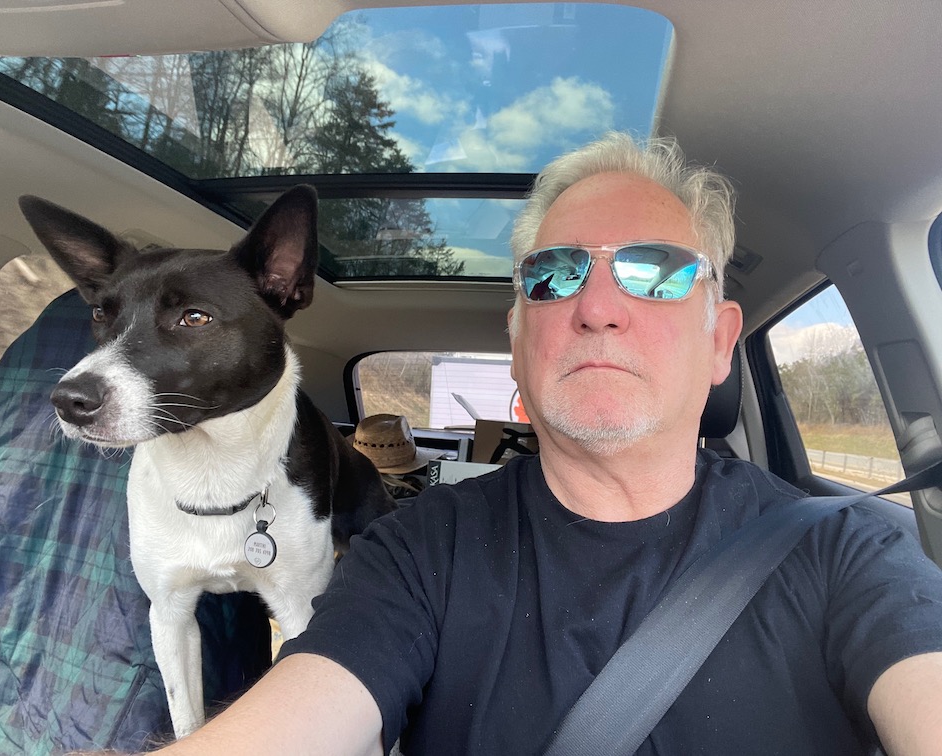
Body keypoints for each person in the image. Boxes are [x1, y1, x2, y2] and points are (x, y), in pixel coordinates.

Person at [154, 133, 942, 755]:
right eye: (555, 273)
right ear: (519, 339)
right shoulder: (417, 554)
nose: (597, 306)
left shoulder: (850, 554)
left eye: (656, 270)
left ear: (719, 341)